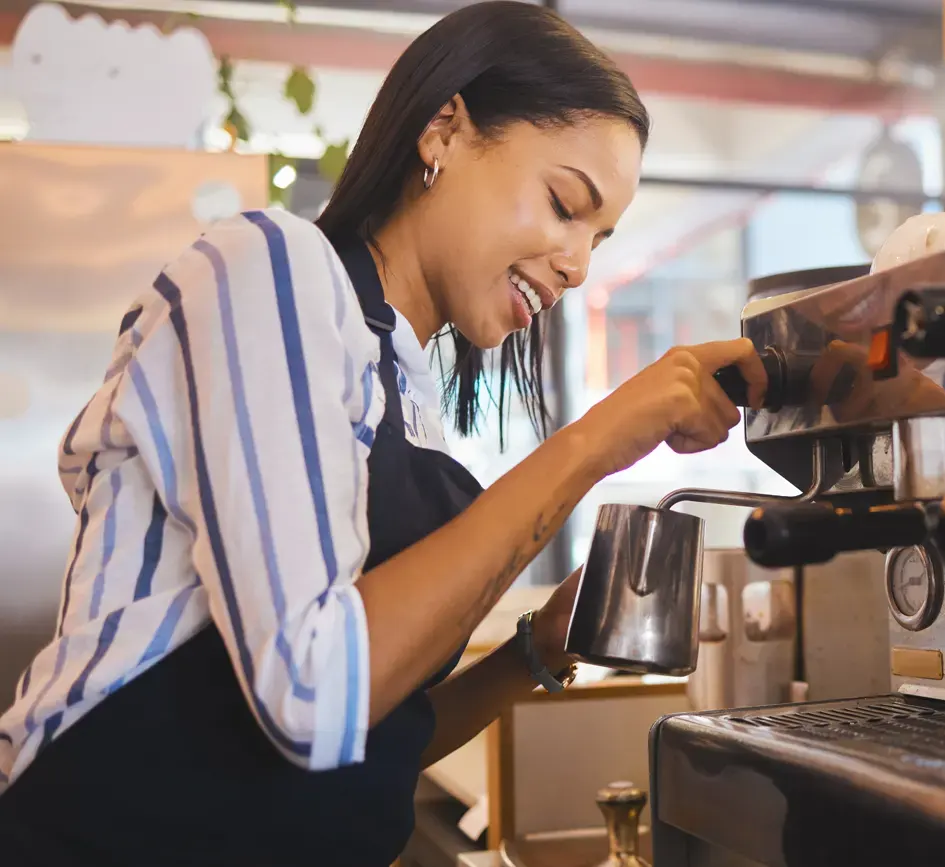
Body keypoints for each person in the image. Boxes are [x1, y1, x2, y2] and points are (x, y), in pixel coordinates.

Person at [0, 3, 765, 864]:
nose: (578, 263)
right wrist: (599, 440)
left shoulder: (404, 390)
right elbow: (312, 695)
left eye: (598, 237)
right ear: (444, 130)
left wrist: (535, 651)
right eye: (564, 204)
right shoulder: (268, 270)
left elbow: (367, 738)